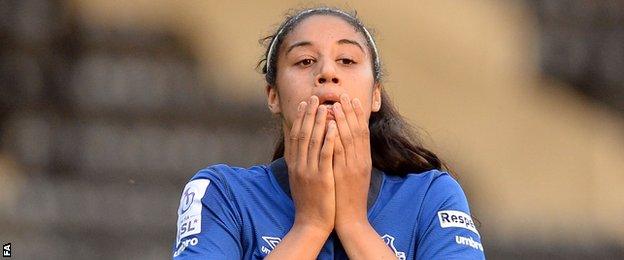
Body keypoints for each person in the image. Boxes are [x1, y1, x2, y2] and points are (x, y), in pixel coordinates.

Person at [173, 6, 485, 259]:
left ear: (375, 94)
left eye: (347, 60)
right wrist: (309, 226)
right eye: (305, 61)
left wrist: (354, 223)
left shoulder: (432, 197)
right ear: (273, 96)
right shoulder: (222, 194)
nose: (327, 73)